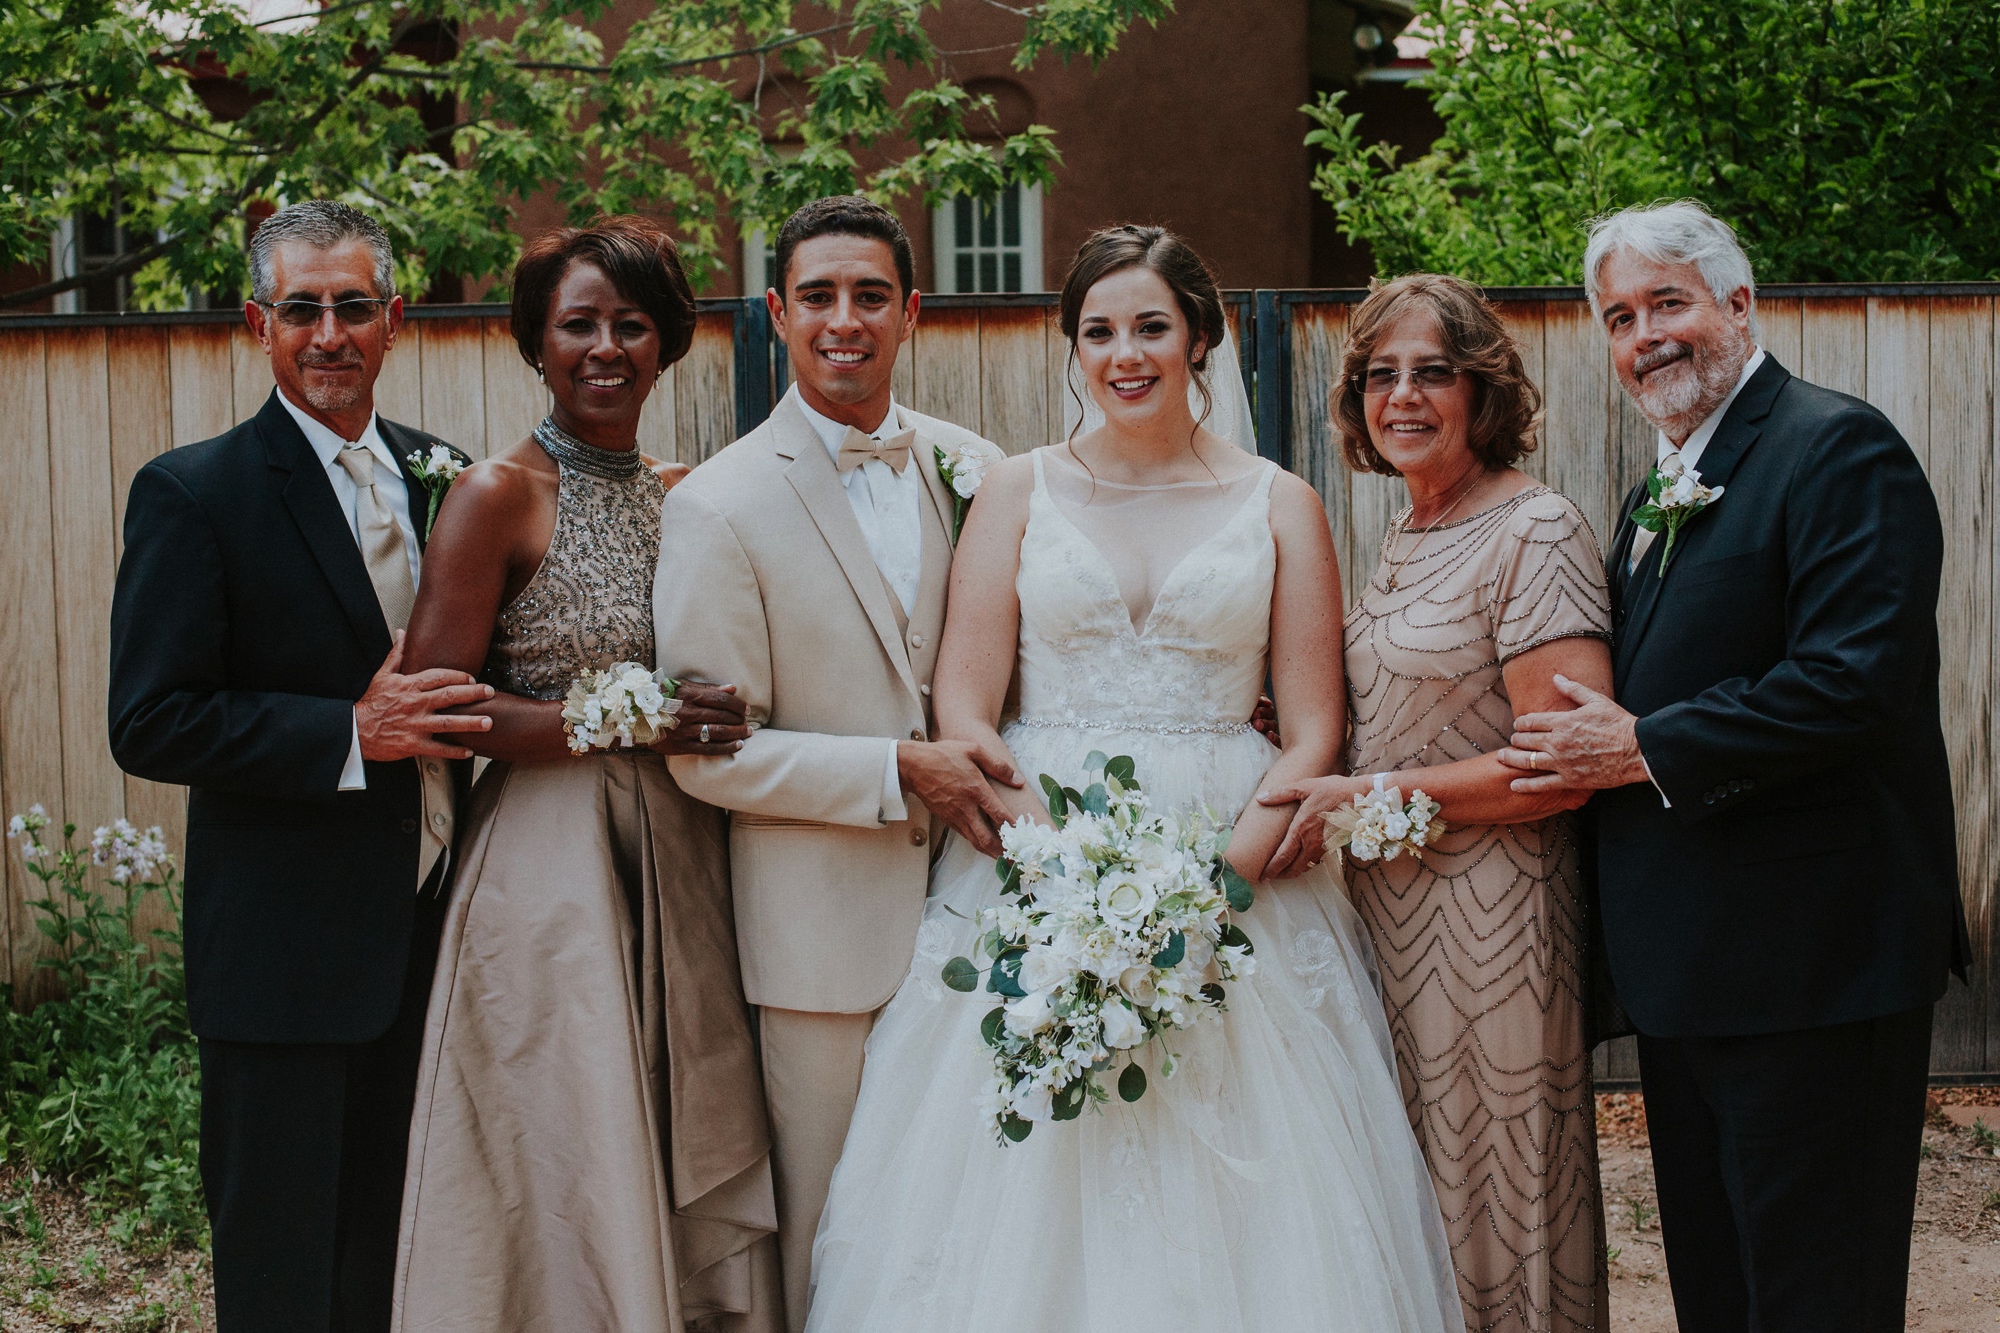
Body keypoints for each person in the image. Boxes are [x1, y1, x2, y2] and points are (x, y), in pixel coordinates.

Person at [802, 225, 1463, 1331]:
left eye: (1150, 326)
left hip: (1234, 864)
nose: (1125, 353)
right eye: (1098, 330)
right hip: (1036, 860)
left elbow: (1310, 731)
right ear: (1072, 347)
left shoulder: (1278, 501)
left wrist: (1217, 882)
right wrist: (1053, 869)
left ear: (1197, 336)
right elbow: (963, 706)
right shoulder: (1015, 490)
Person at [1500, 199, 1972, 1333]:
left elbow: (1850, 680)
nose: (1643, 337)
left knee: (1813, 1293)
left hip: (1814, 965)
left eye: (1667, 302)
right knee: (1721, 1289)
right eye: (1618, 317)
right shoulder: (1654, 487)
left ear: (1737, 303)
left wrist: (1642, 745)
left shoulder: (1833, 446)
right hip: (1692, 968)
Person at [390, 217, 779, 1332]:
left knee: (676, 1107)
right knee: (573, 1123)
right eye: (577, 325)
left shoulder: (687, 493)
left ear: (665, 344)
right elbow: (439, 709)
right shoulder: (494, 494)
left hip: (684, 845)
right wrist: (614, 720)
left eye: (630, 324)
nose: (604, 347)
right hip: (547, 867)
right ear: (535, 343)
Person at [107, 200, 489, 1331]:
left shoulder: (450, 478)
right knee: (282, 1276)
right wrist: (344, 733)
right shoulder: (195, 493)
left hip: (436, 939)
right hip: (283, 961)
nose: (329, 332)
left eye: (352, 307)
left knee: (402, 1257)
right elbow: (153, 719)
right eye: (302, 309)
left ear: (393, 319)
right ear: (256, 322)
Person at [651, 194, 1009, 1333]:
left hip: (983, 910)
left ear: (910, 312)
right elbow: (710, 759)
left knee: (977, 1221)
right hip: (819, 948)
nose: (842, 319)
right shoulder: (716, 504)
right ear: (776, 313)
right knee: (829, 1233)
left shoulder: (980, 472)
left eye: (868, 296)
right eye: (817, 296)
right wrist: (896, 770)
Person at [1253, 274, 1614, 1333]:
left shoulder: (1533, 527)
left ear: (1482, 388)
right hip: (1389, 912)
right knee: (1410, 1189)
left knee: (1495, 1185)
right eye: (1379, 375)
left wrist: (1362, 791)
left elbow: (1557, 763)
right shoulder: (1413, 530)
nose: (1401, 395)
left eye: (1431, 372)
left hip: (1491, 919)